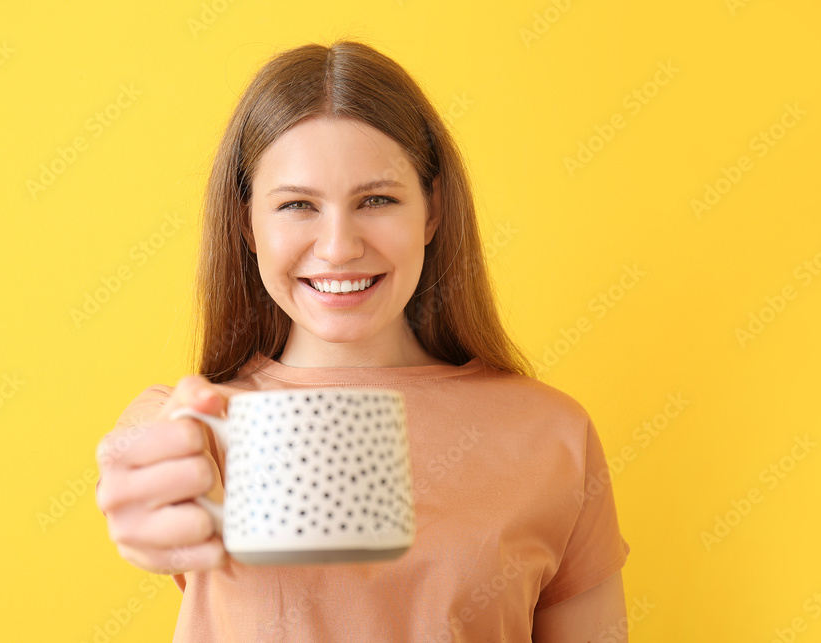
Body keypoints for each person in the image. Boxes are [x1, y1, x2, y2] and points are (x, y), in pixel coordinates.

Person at [95, 38, 631, 642]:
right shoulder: (205, 431)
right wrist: (139, 460)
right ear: (247, 225)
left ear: (430, 212)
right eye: (297, 205)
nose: (337, 246)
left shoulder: (551, 434)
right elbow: (142, 450)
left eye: (376, 200)